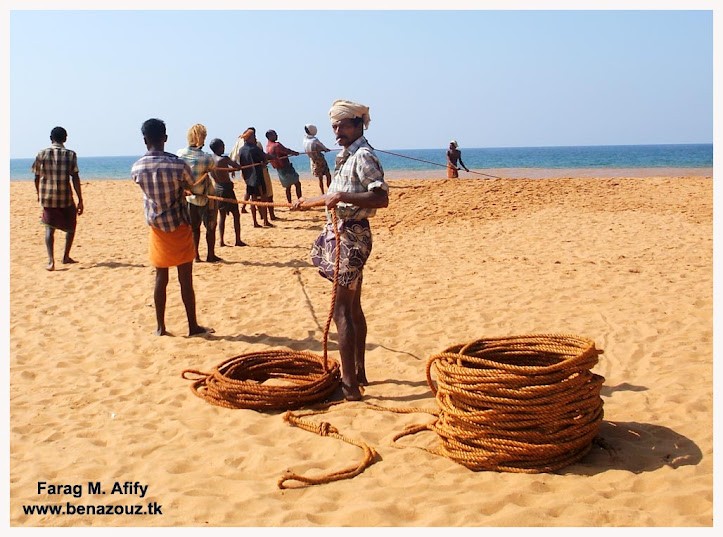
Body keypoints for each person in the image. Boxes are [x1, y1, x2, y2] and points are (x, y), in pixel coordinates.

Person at [292, 99, 388, 401]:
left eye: (342, 125)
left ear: (358, 124)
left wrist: (340, 196)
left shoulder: (363, 156)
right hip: (344, 233)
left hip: (353, 237)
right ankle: (358, 373)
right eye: (334, 126)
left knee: (342, 311)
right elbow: (336, 195)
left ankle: (349, 387)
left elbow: (380, 198)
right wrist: (309, 202)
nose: (337, 131)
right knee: (353, 307)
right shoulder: (346, 156)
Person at [131, 118, 212, 337]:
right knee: (185, 279)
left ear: (144, 139)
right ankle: (192, 326)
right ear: (165, 138)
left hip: (157, 229)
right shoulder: (178, 164)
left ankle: (160, 327)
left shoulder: (137, 167)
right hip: (179, 225)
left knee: (161, 277)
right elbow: (190, 185)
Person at [32, 126, 84, 271]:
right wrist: (80, 199)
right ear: (65, 138)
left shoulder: (42, 154)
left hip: (48, 197)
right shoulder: (71, 155)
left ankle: (51, 261)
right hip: (65, 197)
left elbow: (36, 177)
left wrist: (38, 194)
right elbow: (75, 177)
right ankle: (66, 256)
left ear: (51, 138)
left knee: (49, 228)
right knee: (71, 226)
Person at [177, 124, 221, 262]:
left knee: (194, 228)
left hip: (189, 197)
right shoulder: (206, 158)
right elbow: (213, 167)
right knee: (210, 227)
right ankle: (210, 255)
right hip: (206, 197)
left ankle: (196, 255)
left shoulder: (179, 154)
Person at [209, 138, 246, 247]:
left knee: (222, 215)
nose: (224, 148)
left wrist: (231, 170)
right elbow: (236, 166)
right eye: (223, 146)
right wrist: (236, 168)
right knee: (236, 214)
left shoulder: (210, 159)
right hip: (226, 189)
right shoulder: (223, 159)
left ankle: (221, 241)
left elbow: (222, 170)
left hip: (217, 188)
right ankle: (238, 240)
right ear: (219, 147)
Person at [236, 128, 273, 228]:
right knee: (264, 198)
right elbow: (264, 157)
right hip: (258, 176)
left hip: (248, 178)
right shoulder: (254, 148)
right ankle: (265, 221)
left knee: (253, 199)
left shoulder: (241, 150)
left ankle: (255, 222)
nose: (255, 138)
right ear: (249, 138)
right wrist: (273, 157)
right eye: (254, 137)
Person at [265, 129, 302, 204]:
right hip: (286, 168)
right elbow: (286, 150)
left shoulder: (267, 147)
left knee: (288, 187)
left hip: (279, 170)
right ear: (270, 136)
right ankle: (300, 202)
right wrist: (295, 153)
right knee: (297, 184)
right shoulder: (276, 145)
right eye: (274, 134)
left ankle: (289, 203)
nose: (277, 135)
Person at [303, 124, 332, 194]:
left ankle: (322, 192)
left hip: (312, 160)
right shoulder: (314, 140)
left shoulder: (305, 140)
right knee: (328, 175)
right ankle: (330, 190)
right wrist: (325, 149)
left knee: (320, 178)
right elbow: (322, 146)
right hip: (319, 159)